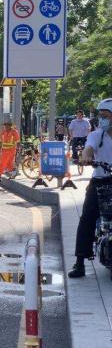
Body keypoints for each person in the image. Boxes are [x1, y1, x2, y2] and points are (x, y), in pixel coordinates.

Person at [68, 99, 112, 278]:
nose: (102, 120)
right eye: (101, 116)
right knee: (87, 218)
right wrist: (86, 157)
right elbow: (88, 149)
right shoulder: (96, 135)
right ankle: (79, 263)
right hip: (99, 181)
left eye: (106, 116)